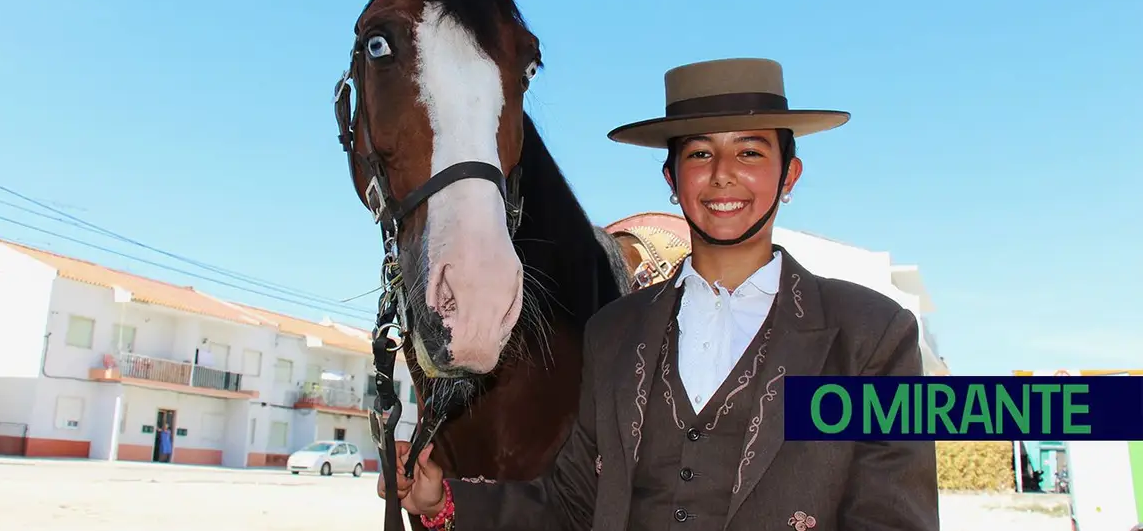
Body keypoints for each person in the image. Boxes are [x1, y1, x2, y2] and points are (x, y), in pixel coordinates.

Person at [380, 58, 940, 530]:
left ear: (788, 176)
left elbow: (892, 518)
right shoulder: (614, 333)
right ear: (671, 180)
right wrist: (440, 499)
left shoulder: (874, 337)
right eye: (699, 154)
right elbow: (571, 505)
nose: (722, 175)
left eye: (749, 152)